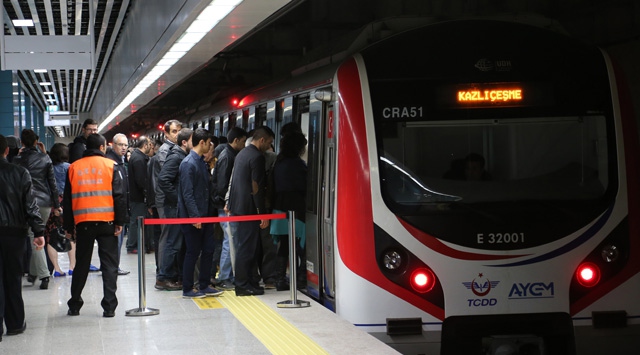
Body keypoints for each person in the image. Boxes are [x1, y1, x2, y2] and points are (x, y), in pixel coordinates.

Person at [63, 133, 127, 317]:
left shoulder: (73, 168)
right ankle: (109, 307)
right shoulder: (111, 166)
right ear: (102, 148)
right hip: (107, 222)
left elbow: (67, 201)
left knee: (81, 264)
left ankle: (74, 304)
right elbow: (119, 196)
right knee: (109, 265)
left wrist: (68, 227)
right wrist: (119, 222)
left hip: (83, 224)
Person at [0, 134, 45, 340]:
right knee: (13, 279)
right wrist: (38, 231)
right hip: (14, 235)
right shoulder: (20, 173)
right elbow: (30, 204)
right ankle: (16, 323)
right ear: (7, 151)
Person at [228, 126, 275, 296]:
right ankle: (242, 285)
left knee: (248, 247)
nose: (269, 146)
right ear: (262, 140)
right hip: (249, 210)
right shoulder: (257, 157)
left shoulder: (242, 153)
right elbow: (257, 187)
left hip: (239, 207)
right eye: (269, 142)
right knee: (247, 248)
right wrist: (262, 213)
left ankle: (250, 281)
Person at [12, 129, 61, 290]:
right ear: (36, 141)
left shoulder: (16, 160)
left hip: (25, 203)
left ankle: (44, 274)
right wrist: (57, 205)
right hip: (45, 202)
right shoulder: (45, 158)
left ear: (22, 143)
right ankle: (33, 273)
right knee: (38, 235)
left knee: (34, 236)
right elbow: (52, 184)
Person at [178, 128, 223, 298]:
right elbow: (187, 193)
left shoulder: (200, 162)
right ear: (202, 142)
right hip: (194, 217)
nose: (211, 146)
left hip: (206, 215)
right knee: (193, 251)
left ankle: (204, 284)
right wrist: (194, 216)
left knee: (209, 249)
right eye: (209, 143)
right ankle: (188, 288)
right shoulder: (188, 163)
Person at [155, 128, 193, 291]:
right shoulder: (176, 156)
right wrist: (177, 199)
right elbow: (163, 180)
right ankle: (164, 277)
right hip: (173, 206)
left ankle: (172, 275)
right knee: (173, 242)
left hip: (175, 205)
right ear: (184, 142)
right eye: (193, 140)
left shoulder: (180, 155)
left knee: (177, 241)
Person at [270, 131, 308, 291]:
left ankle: (279, 279)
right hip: (297, 208)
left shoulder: (278, 162)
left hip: (279, 207)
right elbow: (305, 186)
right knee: (301, 246)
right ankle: (300, 278)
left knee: (284, 245)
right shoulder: (298, 165)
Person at [211, 127, 247, 290]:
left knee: (231, 241)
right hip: (226, 207)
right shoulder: (228, 156)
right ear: (237, 140)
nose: (244, 144)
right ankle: (225, 276)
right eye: (243, 141)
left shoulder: (228, 154)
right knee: (230, 241)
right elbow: (223, 185)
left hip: (226, 205)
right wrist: (228, 203)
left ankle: (228, 274)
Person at [46, 143, 76, 277]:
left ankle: (57, 269)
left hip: (52, 203)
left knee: (52, 235)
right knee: (70, 234)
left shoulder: (48, 168)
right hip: (67, 202)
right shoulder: (69, 167)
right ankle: (72, 266)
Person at [106, 134, 131, 275]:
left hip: (120, 209)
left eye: (125, 145)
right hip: (113, 211)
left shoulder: (120, 162)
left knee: (118, 242)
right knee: (115, 242)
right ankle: (113, 268)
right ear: (113, 145)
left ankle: (114, 266)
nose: (124, 148)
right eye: (121, 145)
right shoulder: (111, 163)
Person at [126, 136, 152, 254]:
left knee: (136, 221)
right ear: (145, 145)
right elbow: (141, 180)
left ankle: (134, 244)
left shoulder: (137, 157)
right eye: (149, 144)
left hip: (136, 196)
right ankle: (132, 245)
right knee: (136, 221)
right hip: (138, 197)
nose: (151, 147)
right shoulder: (139, 159)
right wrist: (146, 193)